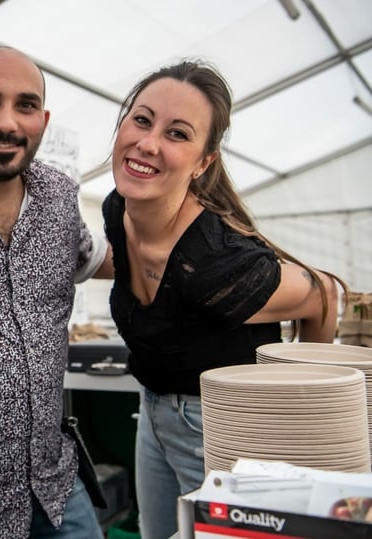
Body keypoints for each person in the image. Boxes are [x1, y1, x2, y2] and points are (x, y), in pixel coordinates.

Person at [104, 60, 343, 539]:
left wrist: (302, 410)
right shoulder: (119, 209)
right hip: (152, 412)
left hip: (220, 430)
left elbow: (324, 292)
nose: (148, 143)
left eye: (177, 134)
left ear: (202, 163)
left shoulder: (217, 264)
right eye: (142, 119)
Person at [0, 47, 114, 539]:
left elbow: (94, 259)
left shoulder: (58, 196)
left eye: (26, 106)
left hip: (55, 487)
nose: (7, 122)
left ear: (43, 119)